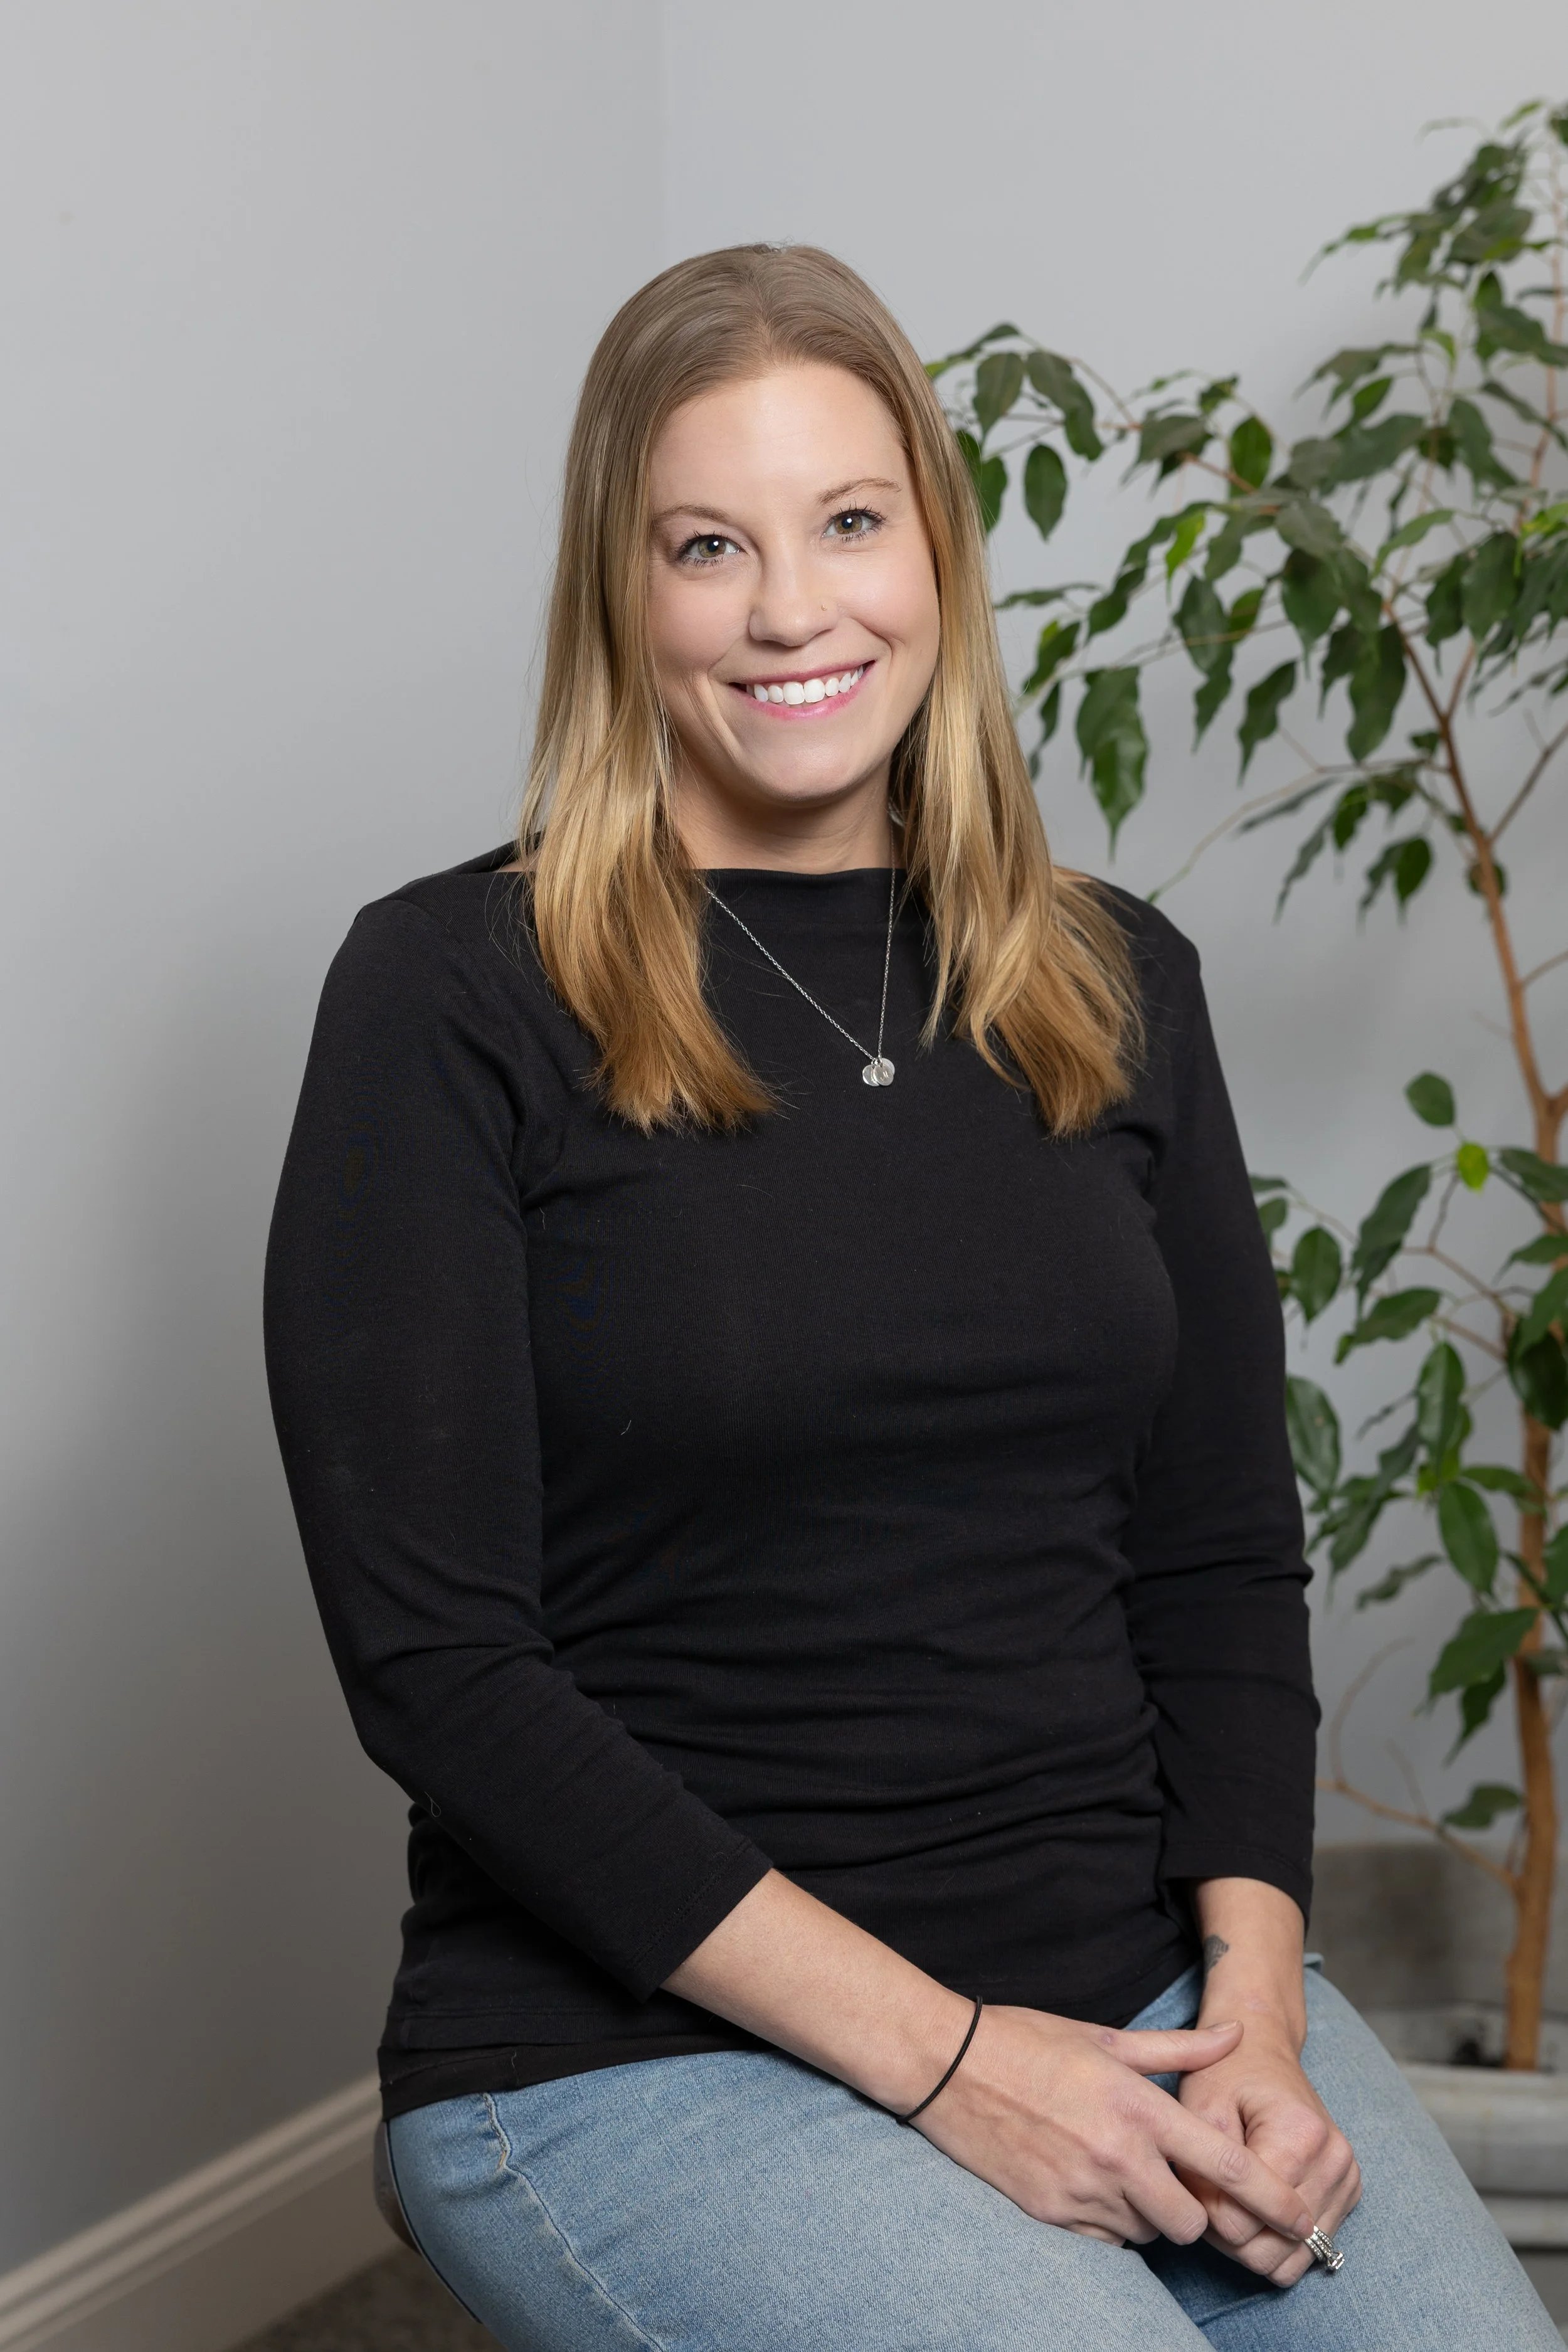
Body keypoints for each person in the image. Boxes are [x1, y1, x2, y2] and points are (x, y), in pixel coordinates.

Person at [263, 244, 1559, 2350]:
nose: (792, 609)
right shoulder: (449, 994)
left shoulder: (1115, 976)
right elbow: (438, 1663)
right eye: (709, 545)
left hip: (1143, 1990)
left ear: (935, 557)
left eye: (850, 523)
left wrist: (1254, 2006)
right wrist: (952, 2060)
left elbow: (1221, 1556)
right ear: (622, 590)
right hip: (633, 2049)